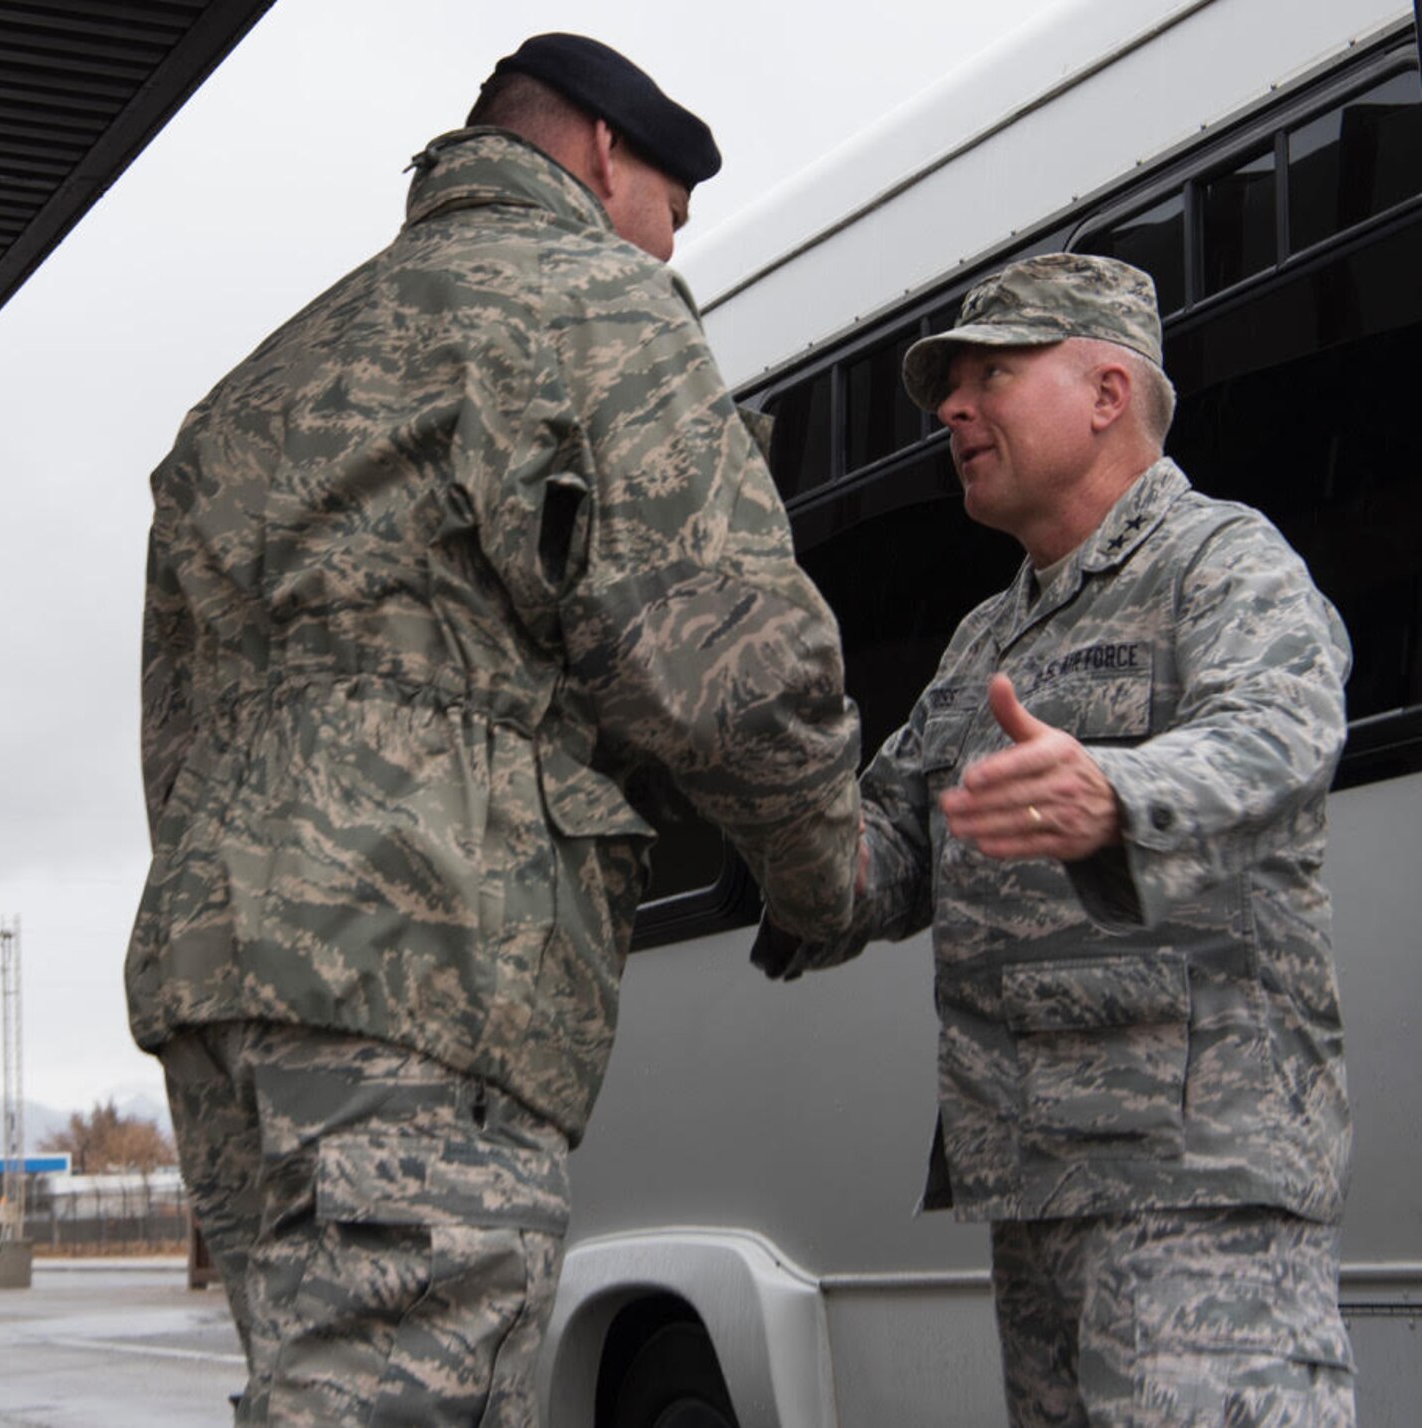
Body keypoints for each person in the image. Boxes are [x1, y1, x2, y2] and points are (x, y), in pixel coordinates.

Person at [126, 32, 861, 1426]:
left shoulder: (246, 394)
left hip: (215, 976)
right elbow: (726, 658)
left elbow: (176, 728)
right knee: (419, 1393)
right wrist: (828, 873)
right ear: (600, 152)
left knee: (323, 1384)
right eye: (669, 211)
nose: (662, 249)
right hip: (424, 953)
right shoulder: (595, 303)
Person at [756, 253, 1356, 1425]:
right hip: (1033, 1180)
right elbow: (885, 854)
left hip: (1195, 1179)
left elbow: (1278, 731)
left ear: (1104, 394)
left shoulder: (1219, 561)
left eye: (990, 373)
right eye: (950, 386)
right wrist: (761, 794)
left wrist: (1114, 794)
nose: (950, 409)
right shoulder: (988, 635)